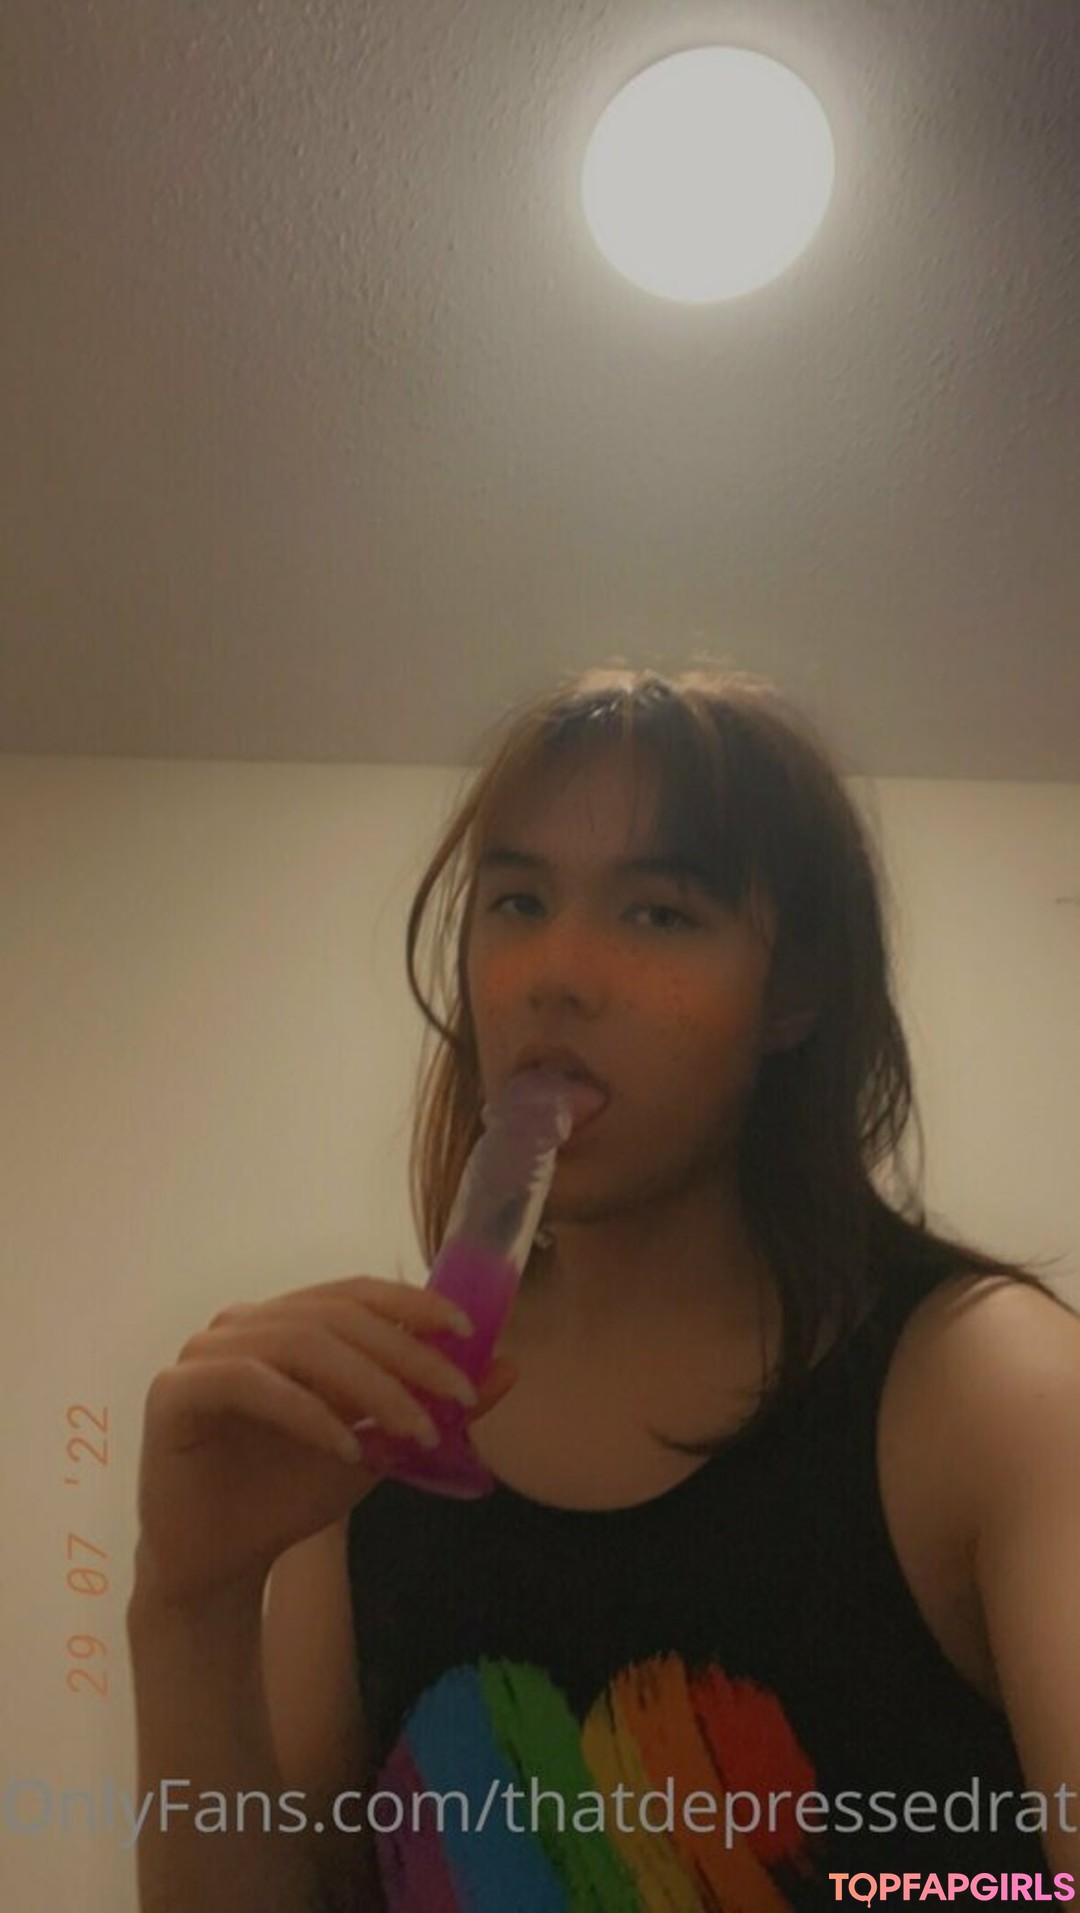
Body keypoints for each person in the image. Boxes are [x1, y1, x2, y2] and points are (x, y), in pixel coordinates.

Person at [127, 663, 1080, 1911]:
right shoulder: (366, 1429)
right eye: (517, 900)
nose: (554, 972)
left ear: (794, 991)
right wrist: (188, 1605)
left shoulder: (992, 1392)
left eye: (660, 912)